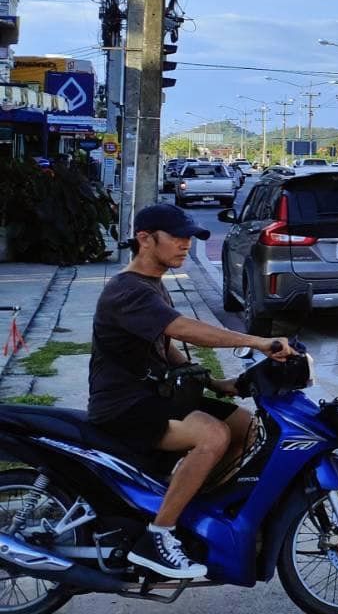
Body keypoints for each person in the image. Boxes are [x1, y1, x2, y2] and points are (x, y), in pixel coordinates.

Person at [88, 203, 295, 579]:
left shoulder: (152, 285)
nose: (185, 244)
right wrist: (257, 341)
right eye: (177, 237)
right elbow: (183, 329)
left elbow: (164, 345)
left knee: (246, 426)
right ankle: (158, 534)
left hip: (153, 395)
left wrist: (214, 383)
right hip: (122, 405)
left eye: (189, 238)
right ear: (145, 239)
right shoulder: (127, 290)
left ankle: (189, 508)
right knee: (212, 434)